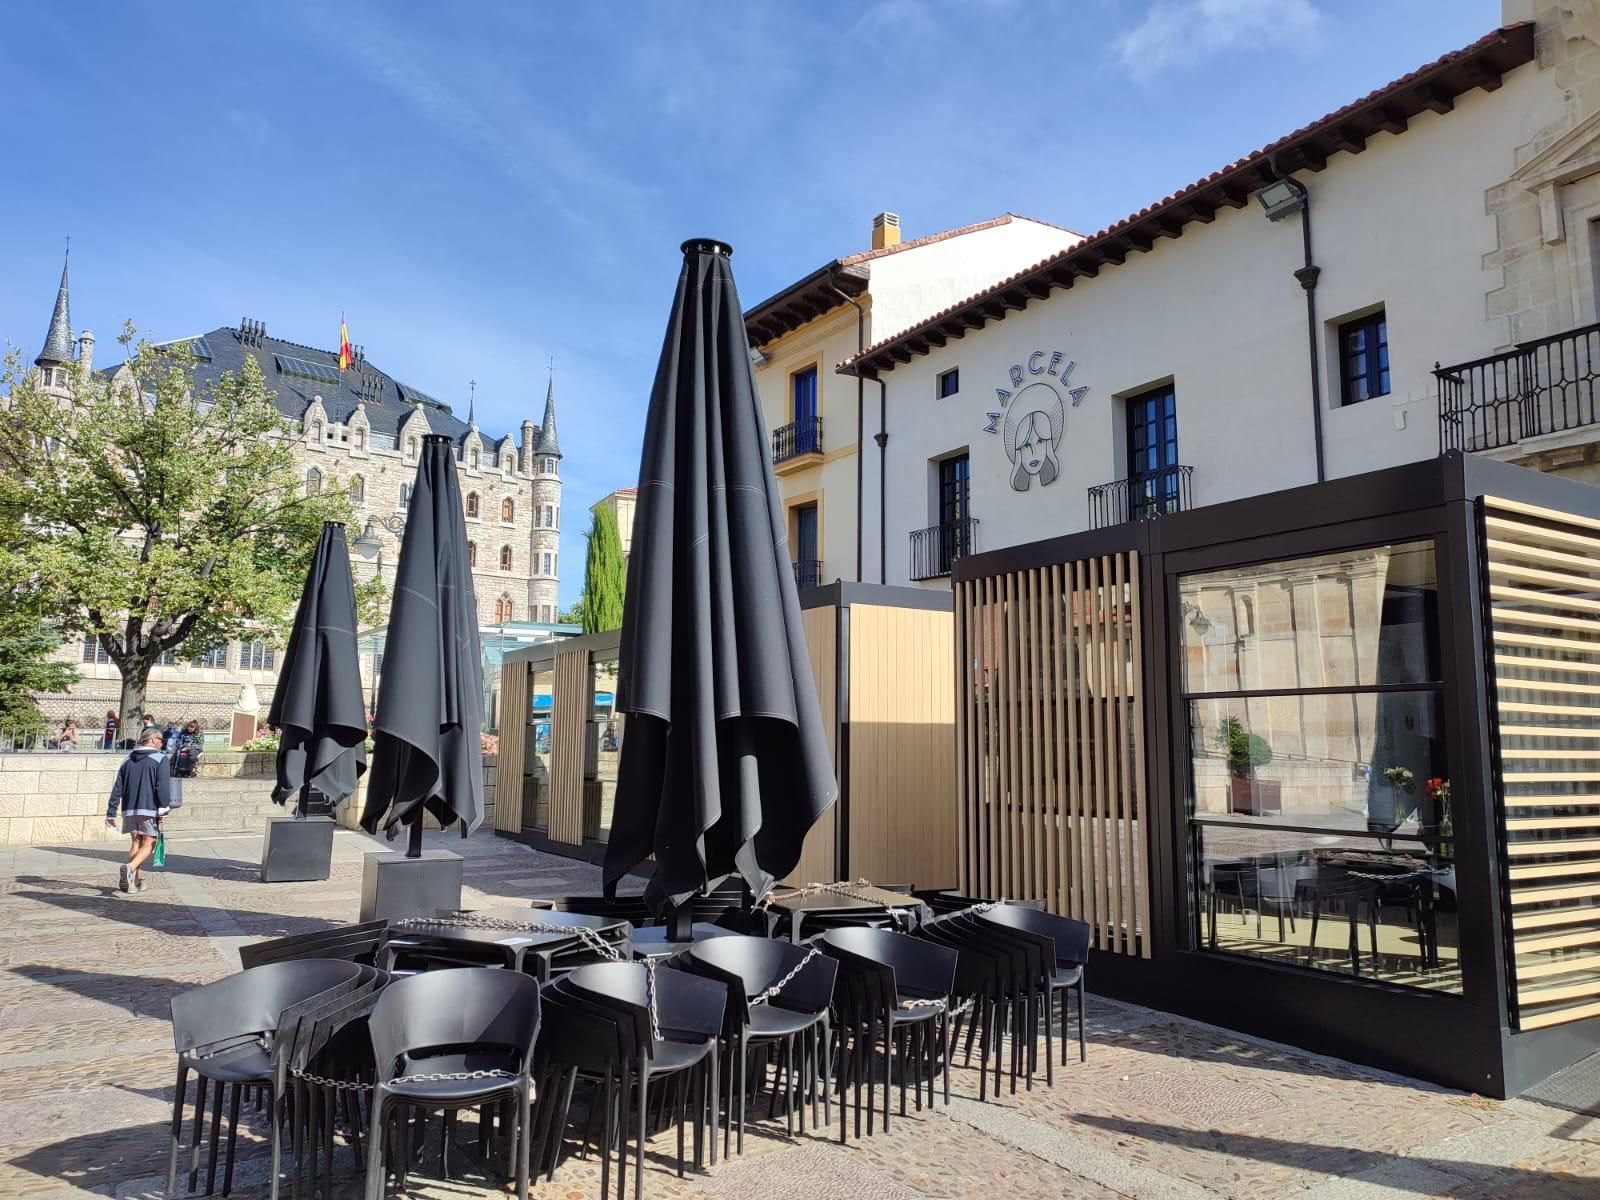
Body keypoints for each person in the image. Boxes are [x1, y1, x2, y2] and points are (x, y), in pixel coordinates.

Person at [104, 725, 173, 894]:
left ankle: (133, 882)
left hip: (129, 807)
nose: (161, 743)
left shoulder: (127, 759)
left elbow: (118, 787)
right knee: (150, 842)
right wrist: (164, 809)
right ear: (152, 740)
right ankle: (130, 867)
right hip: (148, 807)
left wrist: (111, 810)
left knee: (136, 842)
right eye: (160, 740)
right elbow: (162, 786)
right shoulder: (160, 758)